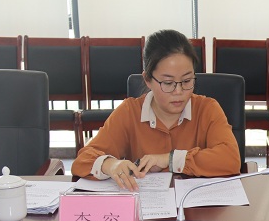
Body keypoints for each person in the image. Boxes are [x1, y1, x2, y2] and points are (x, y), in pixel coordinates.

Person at [72, 29, 241, 190]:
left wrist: (170, 159)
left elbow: (230, 159)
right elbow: (82, 161)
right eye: (168, 83)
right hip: (146, 207)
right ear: (147, 79)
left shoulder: (207, 109)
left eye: (187, 81)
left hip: (196, 206)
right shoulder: (130, 112)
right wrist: (110, 164)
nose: (179, 91)